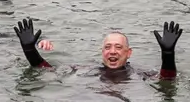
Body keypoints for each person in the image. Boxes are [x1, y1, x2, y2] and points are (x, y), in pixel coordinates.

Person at [15, 17, 181, 80]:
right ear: (102, 52)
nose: (113, 51)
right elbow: (46, 70)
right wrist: (30, 50)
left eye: (118, 47)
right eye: (108, 47)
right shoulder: (85, 70)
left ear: (128, 53)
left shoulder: (140, 75)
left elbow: (167, 82)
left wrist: (168, 54)